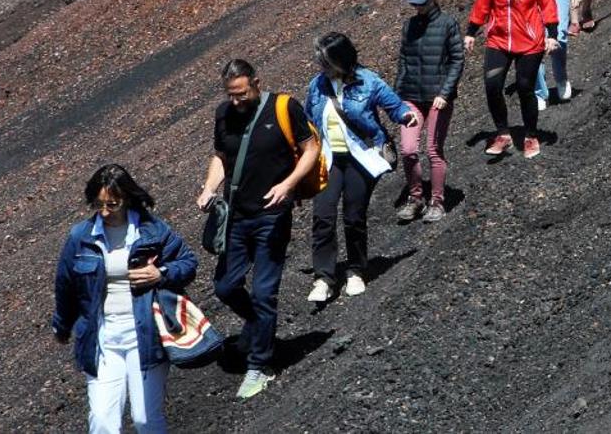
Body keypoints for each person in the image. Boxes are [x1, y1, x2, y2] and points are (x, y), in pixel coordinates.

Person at [196, 58, 319, 400]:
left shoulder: (284, 107)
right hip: (236, 215)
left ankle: (260, 365)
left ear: (256, 82)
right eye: (231, 94)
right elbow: (221, 155)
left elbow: (310, 149)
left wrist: (289, 184)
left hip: (271, 215)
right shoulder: (224, 114)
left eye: (241, 93)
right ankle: (257, 325)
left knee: (265, 292)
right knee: (225, 286)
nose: (236, 100)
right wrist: (209, 187)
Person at [53, 164, 198, 434]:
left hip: (146, 336)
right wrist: (61, 326)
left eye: (113, 204)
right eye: (99, 204)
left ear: (127, 198)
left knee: (145, 419)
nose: (105, 212)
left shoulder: (152, 231)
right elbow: (65, 285)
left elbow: (188, 262)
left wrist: (161, 273)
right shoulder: (80, 237)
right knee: (102, 421)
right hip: (102, 338)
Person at [305, 33, 417, 302]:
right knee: (323, 215)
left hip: (360, 157)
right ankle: (324, 277)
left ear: (340, 60)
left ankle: (355, 270)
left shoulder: (368, 81)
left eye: (325, 60)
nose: (320, 65)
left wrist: (405, 116)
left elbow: (394, 105)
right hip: (329, 158)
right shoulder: (316, 86)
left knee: (354, 215)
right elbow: (308, 121)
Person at [464, 0, 556, 159]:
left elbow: (547, 4)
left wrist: (552, 34)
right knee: (492, 84)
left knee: (525, 87)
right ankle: (503, 133)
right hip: (499, 38)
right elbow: (482, 3)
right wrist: (471, 32)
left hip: (529, 41)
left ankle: (531, 135)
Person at [393, 0, 463, 224]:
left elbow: (457, 59)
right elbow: (403, 61)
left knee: (433, 150)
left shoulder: (448, 24)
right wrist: (396, 95)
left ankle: (437, 201)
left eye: (422, 1)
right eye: (415, 2)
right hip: (411, 96)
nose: (418, 7)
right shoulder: (408, 26)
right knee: (408, 150)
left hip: (437, 98)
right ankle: (415, 198)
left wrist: (445, 93)